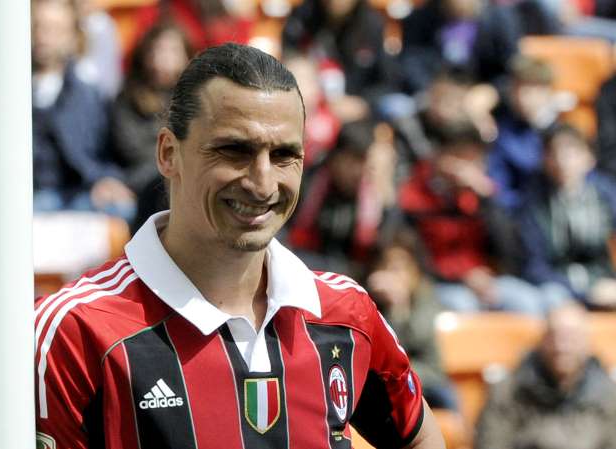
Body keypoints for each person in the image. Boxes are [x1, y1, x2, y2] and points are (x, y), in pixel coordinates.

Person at [34, 43, 445, 449]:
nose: (263, 183)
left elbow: (420, 436)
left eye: (284, 155)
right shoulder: (73, 331)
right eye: (234, 150)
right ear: (168, 153)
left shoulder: (345, 314)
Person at [399, 121, 551, 316]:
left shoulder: (483, 197)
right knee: (462, 305)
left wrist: (488, 200)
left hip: (486, 279)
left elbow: (512, 251)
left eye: (474, 160)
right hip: (441, 283)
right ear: (440, 156)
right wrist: (461, 277)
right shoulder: (414, 194)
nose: (466, 169)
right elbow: (414, 255)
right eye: (460, 158)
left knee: (527, 302)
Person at [31, 0, 134, 218]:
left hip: (78, 194)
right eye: (37, 27)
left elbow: (103, 151)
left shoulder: (86, 92)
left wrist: (107, 180)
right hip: (32, 194)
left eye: (54, 29)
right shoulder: (11, 91)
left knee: (122, 207)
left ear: (72, 36)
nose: (43, 37)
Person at [474, 302, 616, 449]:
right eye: (554, 336)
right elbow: (490, 443)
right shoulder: (509, 391)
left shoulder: (608, 395)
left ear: (586, 343)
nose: (561, 347)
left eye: (571, 338)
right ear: (542, 341)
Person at [519, 123, 616, 309]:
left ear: (589, 157)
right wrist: (586, 292)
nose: (562, 161)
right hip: (558, 287)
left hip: (606, 282)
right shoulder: (532, 205)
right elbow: (534, 268)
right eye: (554, 153)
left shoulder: (606, 196)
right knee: (552, 301)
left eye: (570, 152)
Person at [288, 119, 398, 279]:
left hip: (358, 278)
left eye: (366, 162)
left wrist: (386, 198)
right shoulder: (309, 183)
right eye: (354, 160)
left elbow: (385, 251)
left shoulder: (375, 193)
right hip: (303, 269)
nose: (359, 171)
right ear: (336, 158)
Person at [366, 231, 459, 411]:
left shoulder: (426, 297)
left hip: (425, 377)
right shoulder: (368, 300)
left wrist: (399, 307)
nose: (392, 276)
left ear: (414, 270)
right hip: (384, 381)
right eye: (386, 267)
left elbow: (415, 341)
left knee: (446, 396)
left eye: (399, 268)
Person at [111, 23, 193, 196]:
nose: (164, 57)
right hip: (139, 182)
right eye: (159, 49)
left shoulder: (194, 97)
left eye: (173, 50)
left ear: (186, 55)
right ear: (145, 55)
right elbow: (131, 149)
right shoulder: (129, 97)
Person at [487, 56, 559, 213]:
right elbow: (500, 186)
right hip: (521, 213)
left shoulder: (563, 132)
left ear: (547, 90)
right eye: (516, 89)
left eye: (530, 90)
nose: (522, 98)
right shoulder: (503, 134)